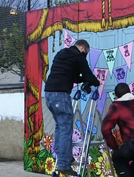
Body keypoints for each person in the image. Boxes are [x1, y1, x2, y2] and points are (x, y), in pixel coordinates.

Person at [45, 39, 100, 176]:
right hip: (61, 95)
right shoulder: (78, 56)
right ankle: (64, 164)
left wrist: (84, 80)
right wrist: (95, 81)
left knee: (59, 127)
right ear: (83, 48)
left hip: (49, 94)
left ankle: (64, 156)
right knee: (65, 130)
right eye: (86, 52)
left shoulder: (62, 54)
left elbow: (74, 76)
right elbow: (87, 74)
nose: (85, 55)